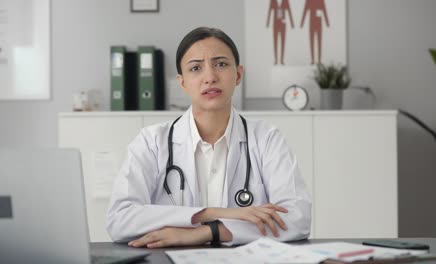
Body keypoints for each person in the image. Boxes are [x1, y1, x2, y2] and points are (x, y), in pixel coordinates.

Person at [106, 27, 311, 248]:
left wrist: (210, 231)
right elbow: (120, 219)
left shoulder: (266, 139)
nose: (210, 77)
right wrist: (212, 213)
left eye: (221, 64)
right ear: (182, 82)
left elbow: (298, 218)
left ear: (238, 74)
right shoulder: (152, 141)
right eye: (196, 68)